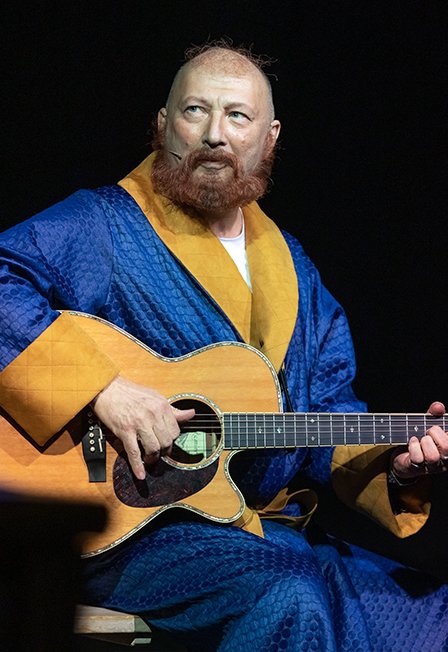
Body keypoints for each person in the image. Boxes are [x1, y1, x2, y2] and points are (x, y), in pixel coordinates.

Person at [0, 41, 447, 651]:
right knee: (287, 595)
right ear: (163, 124)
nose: (215, 134)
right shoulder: (104, 225)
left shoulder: (292, 268)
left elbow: (326, 413)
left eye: (237, 116)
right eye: (195, 111)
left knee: (432, 616)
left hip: (253, 529)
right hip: (130, 531)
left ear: (269, 138)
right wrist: (102, 390)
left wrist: (394, 464)